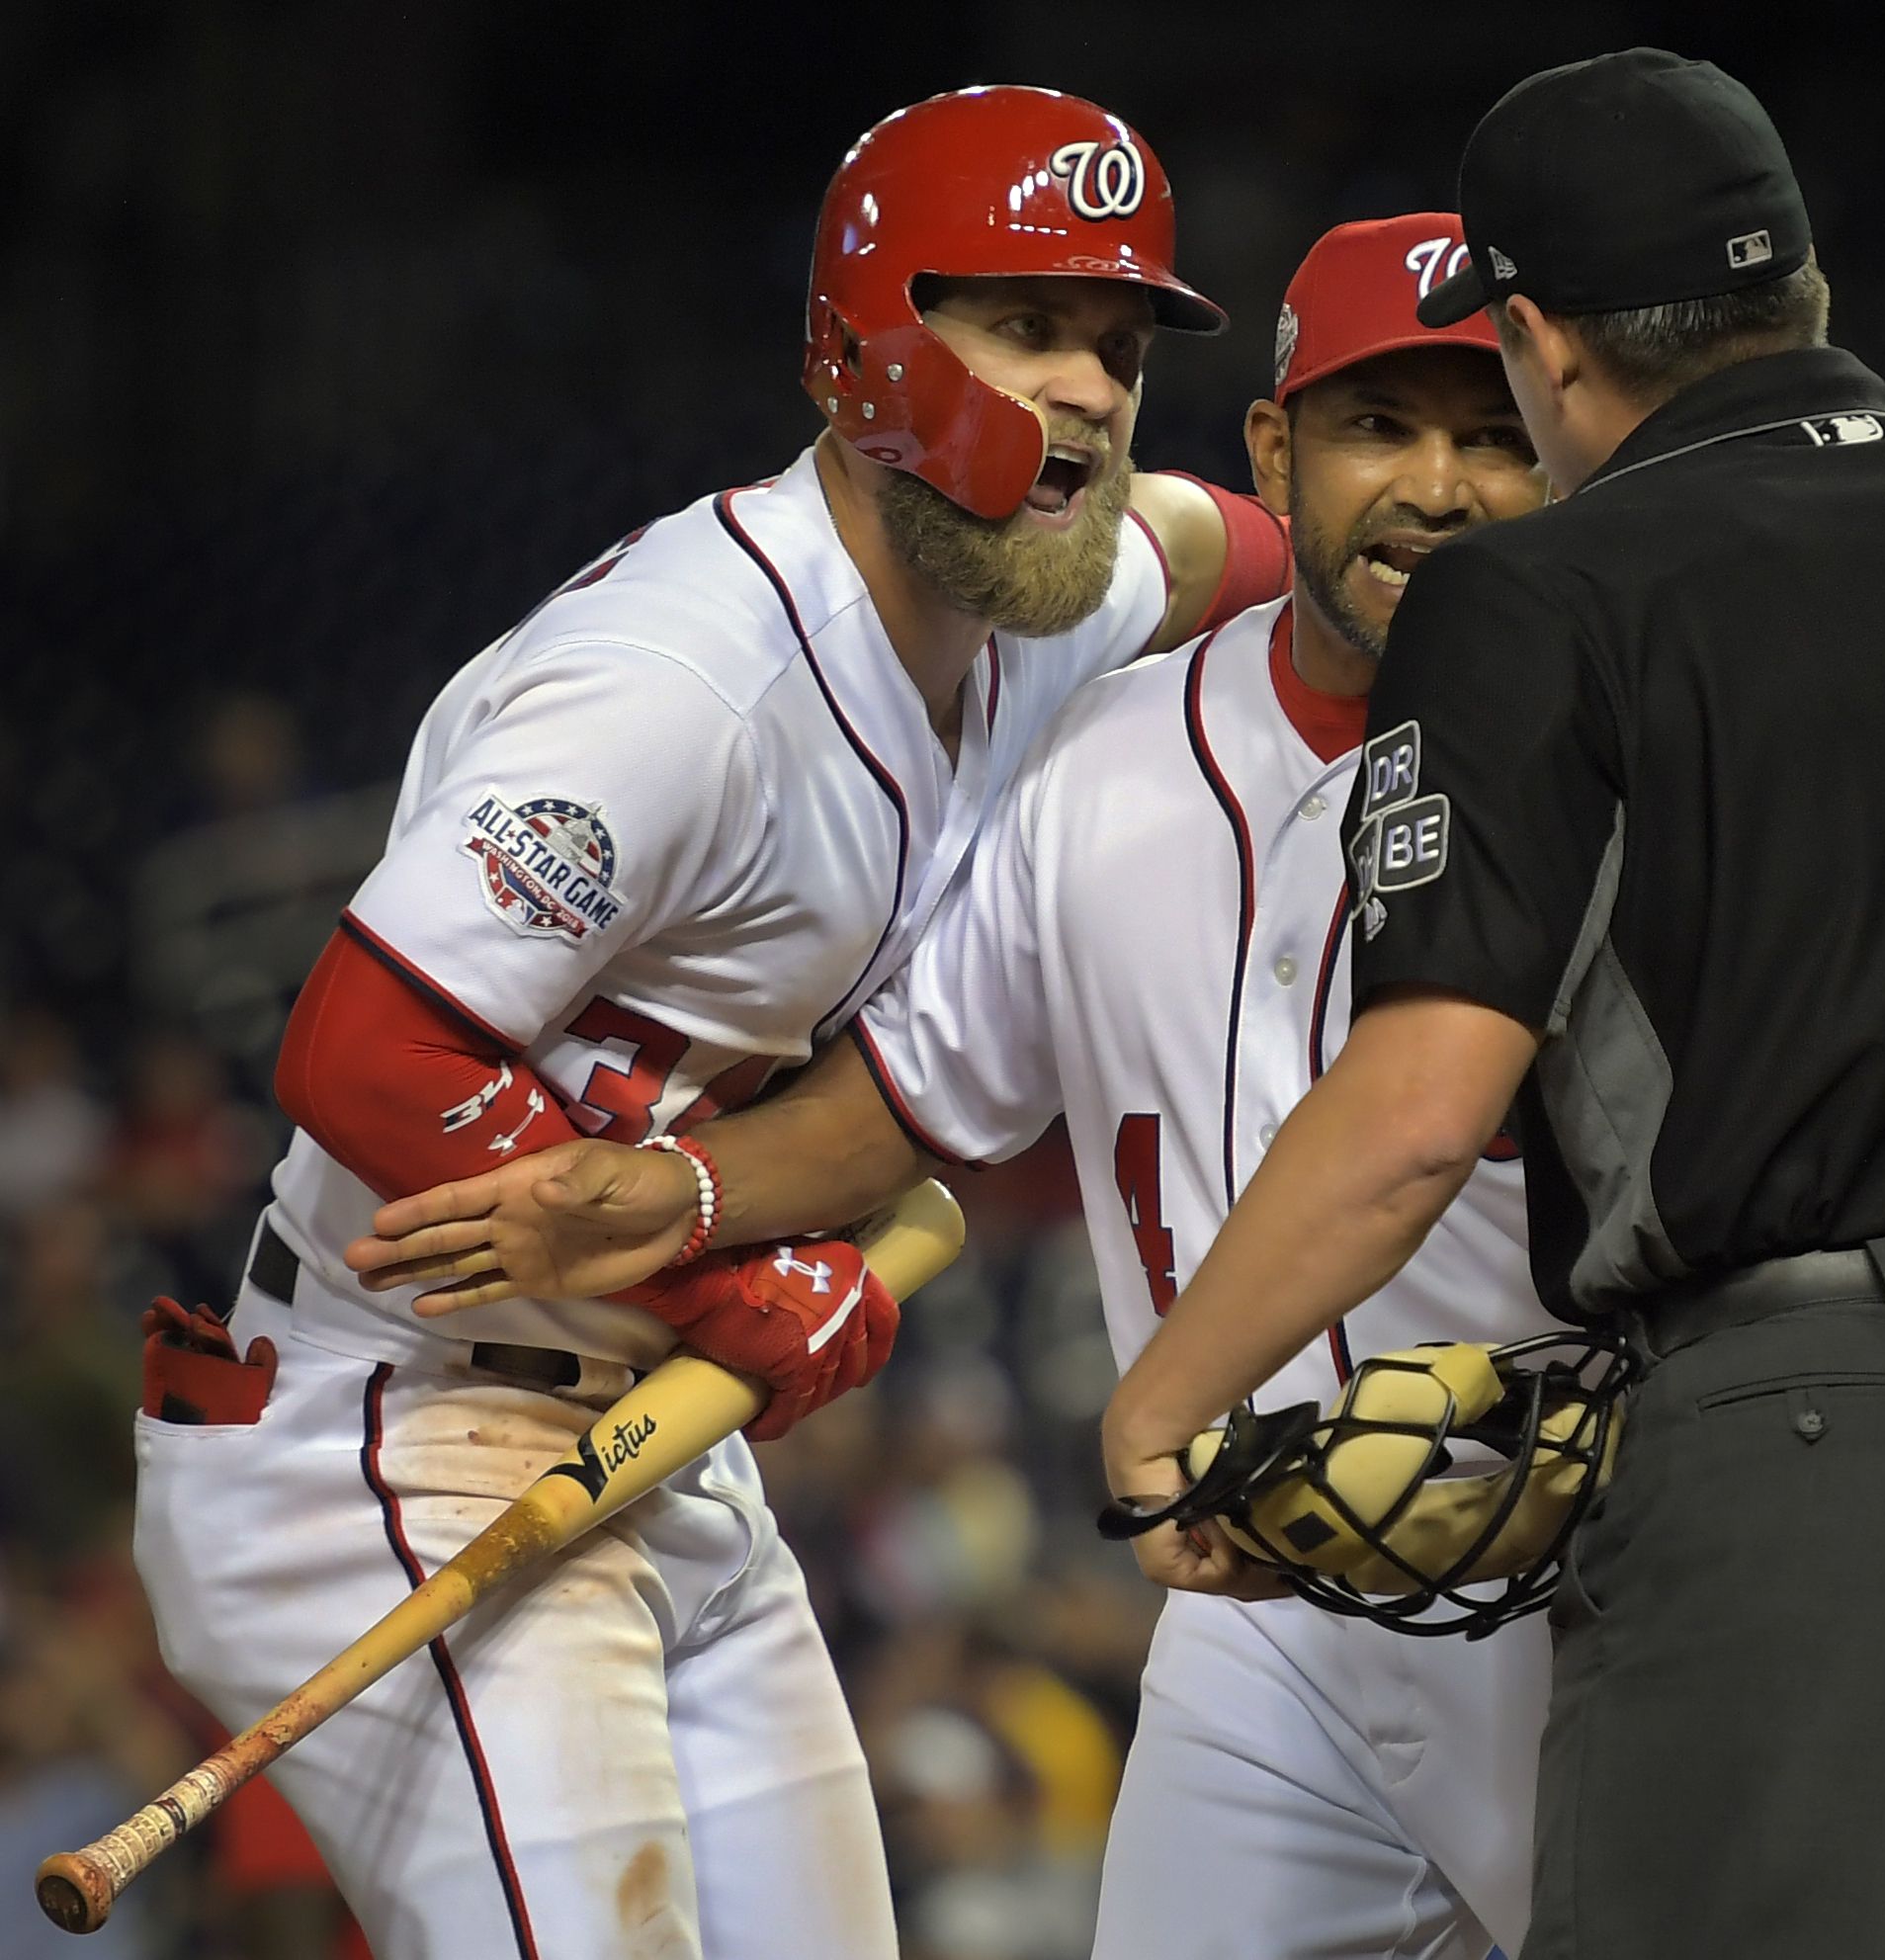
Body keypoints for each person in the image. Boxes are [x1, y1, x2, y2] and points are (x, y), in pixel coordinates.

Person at [1091, 47, 1885, 1960]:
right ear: (1804, 293)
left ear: (1547, 347)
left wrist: (1162, 1411)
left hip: (1807, 1464)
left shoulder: (1545, 595)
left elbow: (1419, 1113)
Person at [130, 85, 1292, 1960]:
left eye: (1121, 339)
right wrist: (728, 1286)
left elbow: (1247, 540)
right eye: (1028, 323)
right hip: (397, 1430)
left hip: (666, 1447)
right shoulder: (688, 680)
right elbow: (359, 1055)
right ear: (863, 345)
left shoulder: (1042, 599)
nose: (1090, 383)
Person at [348, 213, 1561, 1958]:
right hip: (1247, 1611)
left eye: (1500, 433)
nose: (1441, 488)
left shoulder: (1656, 761)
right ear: (1281, 454)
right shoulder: (1117, 755)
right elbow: (904, 1107)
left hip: (1561, 1585)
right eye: (1384, 428)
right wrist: (686, 1199)